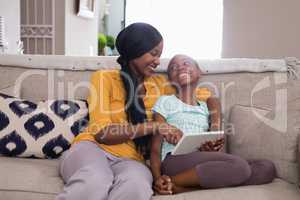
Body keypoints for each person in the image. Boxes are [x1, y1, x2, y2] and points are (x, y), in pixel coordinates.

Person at [56, 23, 216, 200]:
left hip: (133, 160)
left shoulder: (159, 85)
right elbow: (103, 134)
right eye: (153, 54)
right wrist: (155, 126)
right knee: (96, 181)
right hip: (93, 149)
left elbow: (206, 96)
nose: (157, 61)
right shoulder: (104, 78)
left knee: (137, 187)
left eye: (159, 55)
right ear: (135, 51)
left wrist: (214, 129)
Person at [150, 54, 276, 195]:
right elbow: (155, 148)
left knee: (266, 168)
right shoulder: (165, 101)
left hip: (203, 159)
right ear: (171, 79)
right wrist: (157, 178)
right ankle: (170, 181)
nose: (180, 68)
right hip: (175, 160)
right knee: (240, 167)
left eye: (186, 63)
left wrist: (210, 145)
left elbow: (214, 134)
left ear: (199, 73)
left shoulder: (205, 107)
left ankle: (185, 187)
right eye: (173, 67)